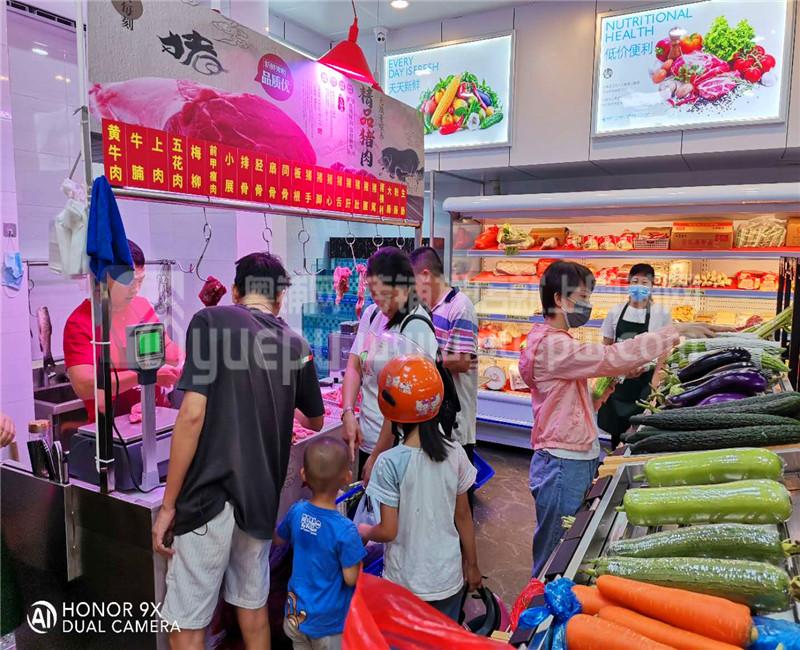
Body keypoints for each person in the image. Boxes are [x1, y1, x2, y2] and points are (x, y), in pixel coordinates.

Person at [152, 252, 325, 650]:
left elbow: (192, 415)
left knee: (187, 622)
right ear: (279, 298)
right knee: (252, 606)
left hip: (209, 496)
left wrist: (168, 506)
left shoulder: (210, 322)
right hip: (261, 498)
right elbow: (314, 420)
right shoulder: (296, 345)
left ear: (235, 291)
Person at [519, 261, 722, 577]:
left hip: (571, 456)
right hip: (562, 463)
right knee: (554, 554)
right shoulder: (551, 345)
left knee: (565, 546)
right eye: (582, 297)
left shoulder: (555, 342)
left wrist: (597, 395)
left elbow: (562, 400)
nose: (587, 305)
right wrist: (675, 331)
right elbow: (610, 356)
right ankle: (535, 605)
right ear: (559, 299)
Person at [359, 354, 481, 621]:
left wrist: (364, 531)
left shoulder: (389, 462)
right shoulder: (455, 453)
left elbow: (388, 530)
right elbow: (463, 516)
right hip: (447, 579)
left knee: (405, 639)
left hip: (404, 583)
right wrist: (472, 565)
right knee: (442, 637)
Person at [341, 247, 439, 481]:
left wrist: (378, 454)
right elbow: (354, 365)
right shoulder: (372, 314)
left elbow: (402, 403)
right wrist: (348, 412)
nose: (380, 302)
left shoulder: (416, 327)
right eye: (374, 295)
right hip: (369, 438)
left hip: (398, 448)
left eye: (385, 295)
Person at [63, 239, 182, 422]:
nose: (136, 289)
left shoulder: (141, 306)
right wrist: (145, 376)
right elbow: (84, 385)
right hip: (114, 426)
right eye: (129, 282)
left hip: (156, 416)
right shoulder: (80, 322)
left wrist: (181, 362)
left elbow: (168, 349)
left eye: (140, 281)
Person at [275, 436, 366, 650]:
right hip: (329, 624)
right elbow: (351, 578)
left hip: (296, 615)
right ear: (347, 477)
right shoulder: (345, 530)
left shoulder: (296, 511)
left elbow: (278, 538)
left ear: (303, 474)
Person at [410, 246, 479, 505]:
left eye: (413, 281)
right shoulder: (429, 308)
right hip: (437, 416)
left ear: (426, 275)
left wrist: (420, 360)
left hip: (457, 419)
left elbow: (462, 361)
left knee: (459, 496)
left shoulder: (460, 307)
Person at [597, 264, 673, 448]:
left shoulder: (661, 313)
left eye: (644, 282)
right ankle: (614, 460)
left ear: (652, 285)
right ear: (628, 284)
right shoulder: (615, 311)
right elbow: (607, 344)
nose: (639, 286)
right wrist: (605, 376)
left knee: (640, 433)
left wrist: (656, 379)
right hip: (618, 381)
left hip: (645, 382)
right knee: (617, 431)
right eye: (635, 281)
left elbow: (665, 349)